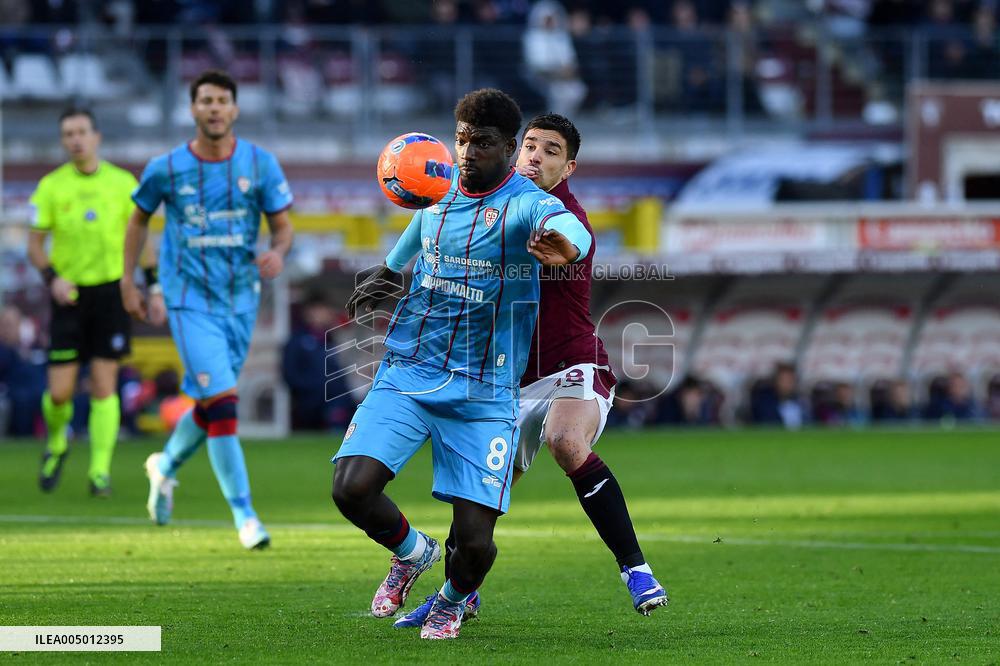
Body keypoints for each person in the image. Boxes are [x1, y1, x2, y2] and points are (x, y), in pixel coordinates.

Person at [392, 113, 668, 630]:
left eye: (551, 150)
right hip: (507, 381)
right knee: (477, 494)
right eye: (531, 147)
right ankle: (458, 595)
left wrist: (565, 251)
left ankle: (637, 569)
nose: (537, 157)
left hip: (572, 363)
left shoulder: (562, 216)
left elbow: (574, 241)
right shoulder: (485, 205)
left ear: (569, 167)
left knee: (567, 442)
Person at [336, 89, 588, 640]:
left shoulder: (527, 204)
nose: (469, 151)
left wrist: (565, 246)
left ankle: (451, 599)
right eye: (463, 139)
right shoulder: (438, 187)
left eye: (485, 142)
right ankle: (410, 553)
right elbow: (419, 230)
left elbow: (574, 228)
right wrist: (388, 271)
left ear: (509, 147)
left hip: (484, 391)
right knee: (350, 489)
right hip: (410, 369)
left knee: (473, 542)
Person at [121, 69, 294, 550]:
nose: (214, 108)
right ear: (193, 109)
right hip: (187, 298)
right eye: (205, 101)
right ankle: (246, 515)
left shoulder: (260, 165)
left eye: (222, 101)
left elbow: (282, 227)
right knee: (224, 405)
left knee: (211, 404)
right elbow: (138, 221)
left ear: (234, 109)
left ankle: (165, 465)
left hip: (240, 299)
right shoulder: (167, 168)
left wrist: (278, 251)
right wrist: (129, 280)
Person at [27, 108, 138, 497]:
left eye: (81, 132)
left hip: (110, 293)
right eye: (68, 134)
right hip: (68, 295)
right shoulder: (51, 187)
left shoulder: (123, 183)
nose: (75, 139)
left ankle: (99, 471)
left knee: (104, 386)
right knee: (59, 393)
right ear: (63, 141)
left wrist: (150, 286)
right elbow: (35, 245)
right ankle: (57, 441)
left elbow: (141, 238)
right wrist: (52, 278)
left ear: (97, 137)